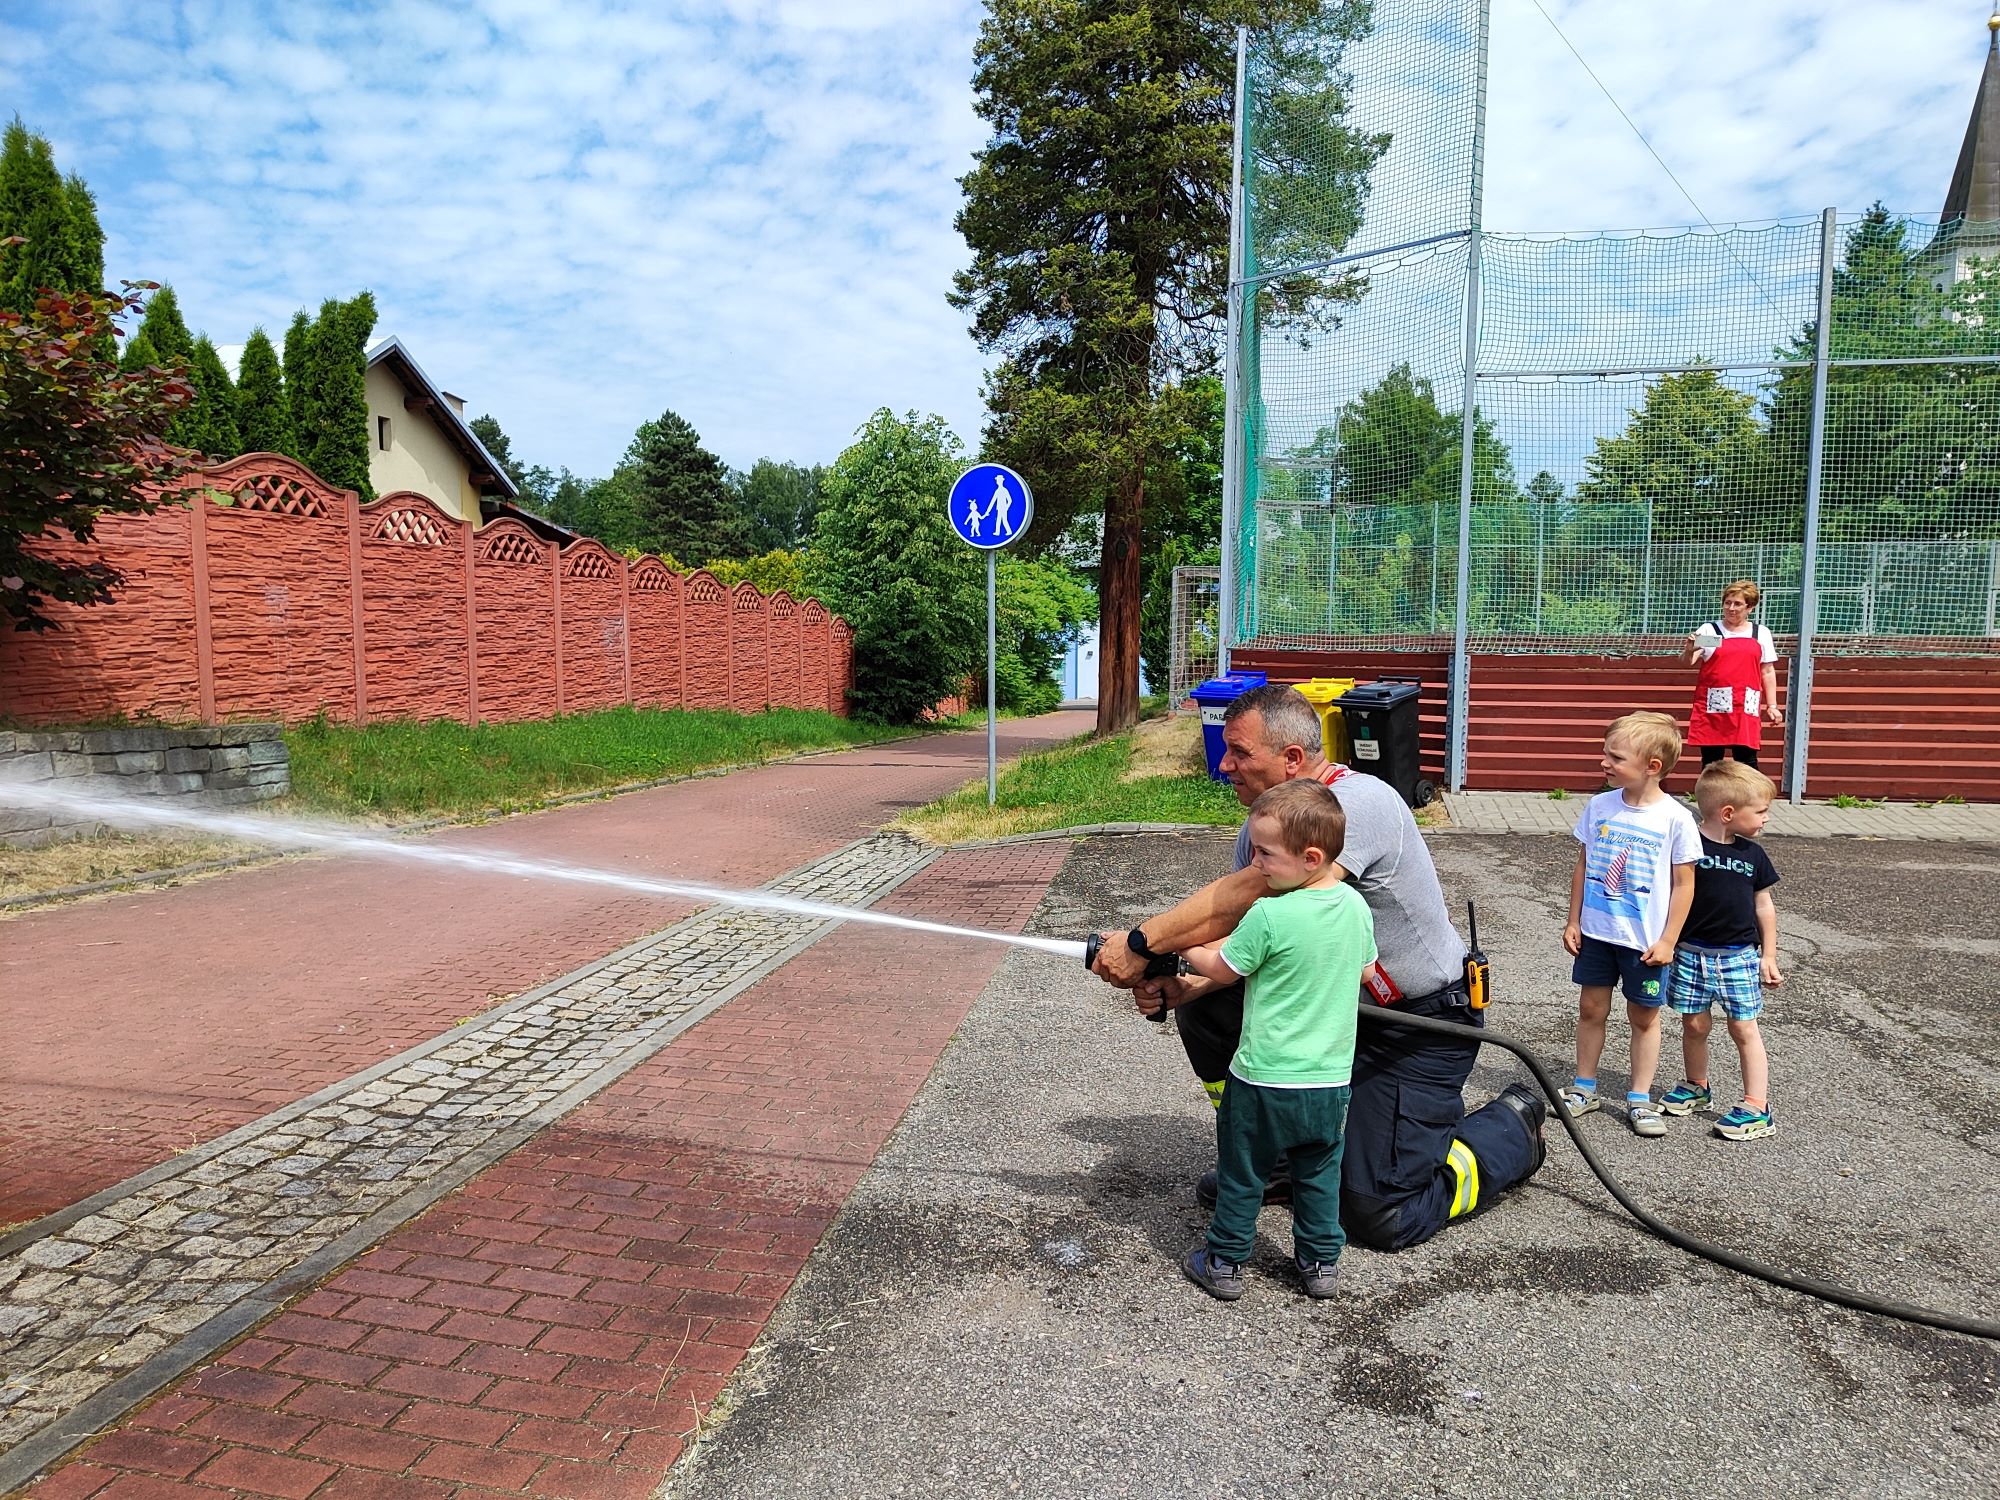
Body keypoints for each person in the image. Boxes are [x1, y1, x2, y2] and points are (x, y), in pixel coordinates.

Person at [1092, 683, 1545, 1252]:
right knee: (1208, 1009)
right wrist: (1188, 985)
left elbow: (1246, 895)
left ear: (1292, 758)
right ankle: (1275, 1155)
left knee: (1378, 1214)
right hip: (1333, 1013)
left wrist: (1141, 941)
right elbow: (1256, 936)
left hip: (1416, 1025)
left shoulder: (1357, 805)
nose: (1223, 765)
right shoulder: (1266, 827)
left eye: (1238, 752)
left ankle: (1507, 1132)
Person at [1178, 780, 1376, 1302]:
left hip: (1262, 1078)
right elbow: (1366, 972)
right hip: (1329, 1081)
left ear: (1310, 857)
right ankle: (1320, 1263)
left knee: (1243, 1171)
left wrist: (1185, 942)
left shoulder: (1269, 915)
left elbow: (1221, 969)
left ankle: (1224, 1261)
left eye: (1265, 852)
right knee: (1318, 1174)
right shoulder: (1356, 908)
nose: (1255, 863)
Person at [1560, 710, 1701, 1137]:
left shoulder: (1676, 818)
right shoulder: (1599, 806)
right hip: (1597, 935)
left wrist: (1669, 940)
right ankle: (1584, 1087)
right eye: (1606, 753)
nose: (1604, 762)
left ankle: (1640, 1097)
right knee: (1590, 1010)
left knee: (1644, 1018)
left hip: (1645, 944)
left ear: (1652, 766)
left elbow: (1684, 885)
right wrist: (1573, 920)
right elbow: (1584, 865)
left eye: (1616, 757)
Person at [1659, 760, 1784, 1141]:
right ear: (1728, 813)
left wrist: (1769, 955)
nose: (1765, 819)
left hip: (1738, 958)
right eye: (1760, 811)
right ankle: (1697, 1086)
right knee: (1694, 1024)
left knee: (1743, 1028)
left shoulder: (1754, 855)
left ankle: (1757, 1106)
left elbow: (1764, 906)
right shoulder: (1686, 847)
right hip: (1689, 954)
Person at [1683, 579, 1783, 769]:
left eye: (1738, 604)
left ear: (1750, 608)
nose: (1731, 608)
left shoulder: (1760, 633)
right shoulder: (1711, 631)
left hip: (1744, 706)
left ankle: (1749, 791)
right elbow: (1690, 660)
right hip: (1714, 707)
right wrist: (1689, 649)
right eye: (1728, 603)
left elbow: (1767, 671)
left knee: (1747, 761)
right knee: (1712, 762)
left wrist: (1772, 705)